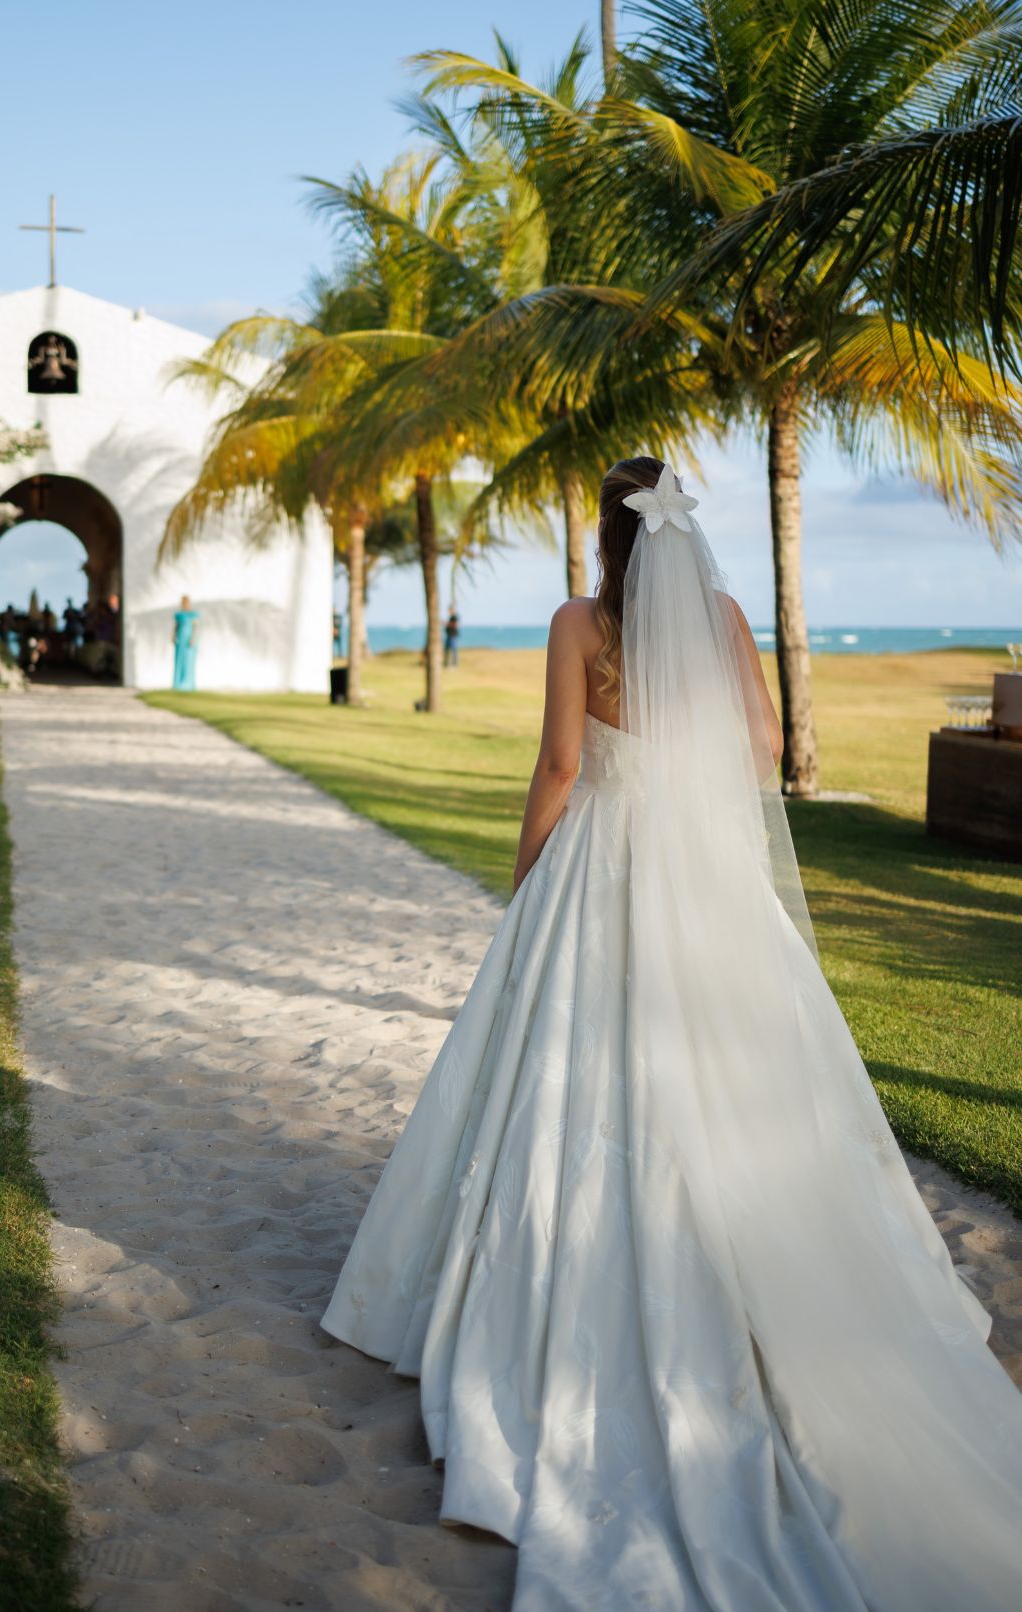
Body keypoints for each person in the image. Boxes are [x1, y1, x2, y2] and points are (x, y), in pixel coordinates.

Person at [322, 457, 1022, 1611]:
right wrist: (687, 802)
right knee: (731, 1081)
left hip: (597, 858)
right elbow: (755, 748)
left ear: (605, 534)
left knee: (564, 1076)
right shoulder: (726, 616)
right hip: (699, 877)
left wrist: (528, 867)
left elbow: (556, 762)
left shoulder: (576, 621)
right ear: (680, 535)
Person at [172, 595, 199, 690]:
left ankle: (188, 684)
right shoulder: (179, 614)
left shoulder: (193, 614)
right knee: (179, 660)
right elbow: (176, 626)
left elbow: (195, 627)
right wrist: (173, 636)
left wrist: (193, 638)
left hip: (189, 639)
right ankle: (178, 684)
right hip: (180, 638)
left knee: (189, 660)